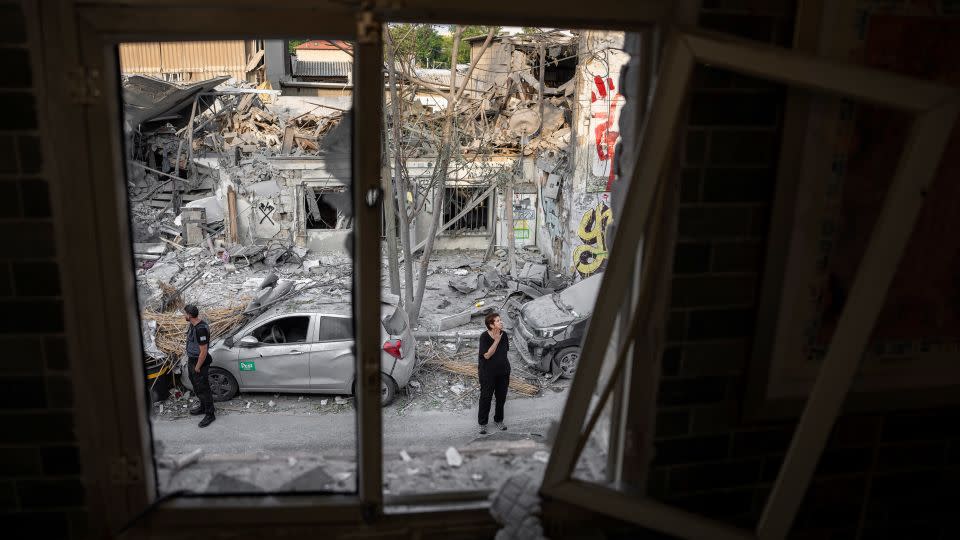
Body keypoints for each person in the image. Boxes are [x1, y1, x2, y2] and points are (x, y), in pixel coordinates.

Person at [478, 312, 510, 434]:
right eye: (497, 321)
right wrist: (496, 341)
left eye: (500, 320)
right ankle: (482, 423)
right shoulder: (484, 337)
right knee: (486, 398)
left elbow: (504, 352)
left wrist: (500, 339)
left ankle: (498, 420)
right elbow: (486, 355)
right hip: (487, 373)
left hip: (503, 372)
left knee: (501, 397)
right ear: (491, 325)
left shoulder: (504, 334)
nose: (501, 322)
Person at [184, 304, 215, 428]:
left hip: (199, 362)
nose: (183, 315)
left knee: (203, 388)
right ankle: (203, 407)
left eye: (185, 313)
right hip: (193, 360)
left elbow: (203, 351)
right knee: (197, 386)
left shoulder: (200, 329)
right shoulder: (193, 324)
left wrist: (197, 367)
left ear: (190, 315)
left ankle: (210, 414)